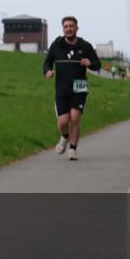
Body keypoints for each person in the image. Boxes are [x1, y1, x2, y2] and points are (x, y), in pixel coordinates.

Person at [42, 17, 102, 161]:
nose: (68, 28)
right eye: (66, 26)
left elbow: (97, 64)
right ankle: (64, 136)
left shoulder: (85, 46)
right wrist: (48, 72)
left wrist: (89, 63)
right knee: (63, 122)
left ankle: (73, 149)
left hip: (80, 86)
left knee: (75, 118)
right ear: (63, 29)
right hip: (62, 88)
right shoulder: (56, 45)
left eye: (71, 26)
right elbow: (47, 62)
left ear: (77, 28)